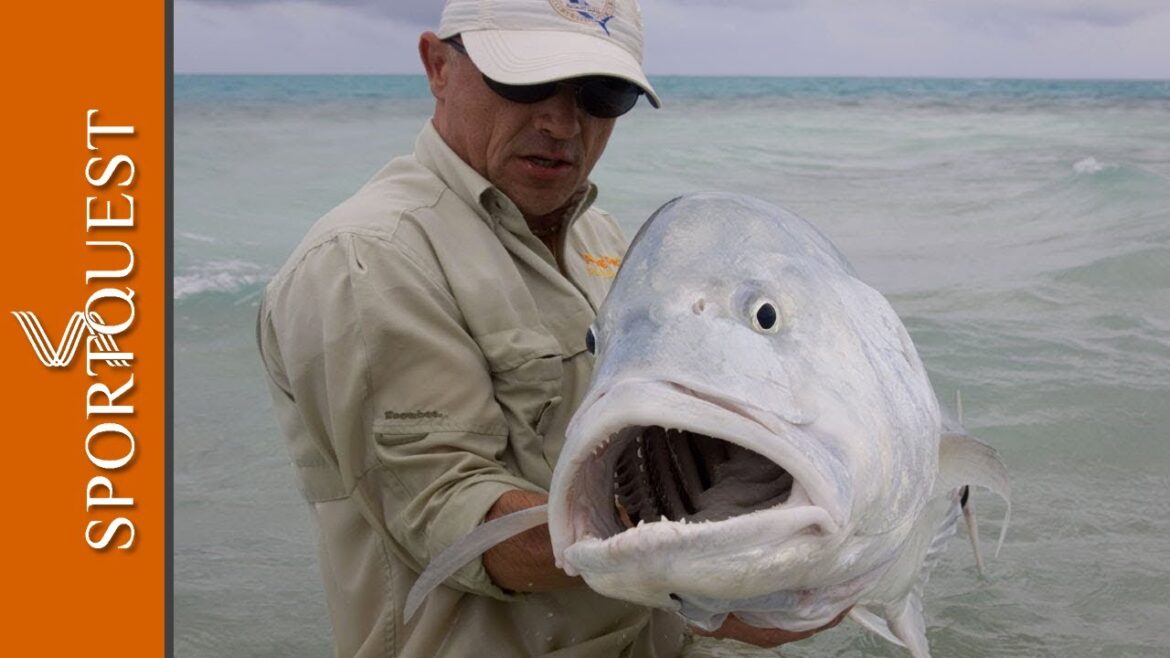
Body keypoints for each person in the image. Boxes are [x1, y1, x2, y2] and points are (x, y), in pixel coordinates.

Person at [257, 0, 841, 655]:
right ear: (438, 66)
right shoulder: (366, 261)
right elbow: (449, 511)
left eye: (601, 94)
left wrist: (755, 578)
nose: (561, 122)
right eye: (525, 81)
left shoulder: (603, 238)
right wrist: (698, 558)